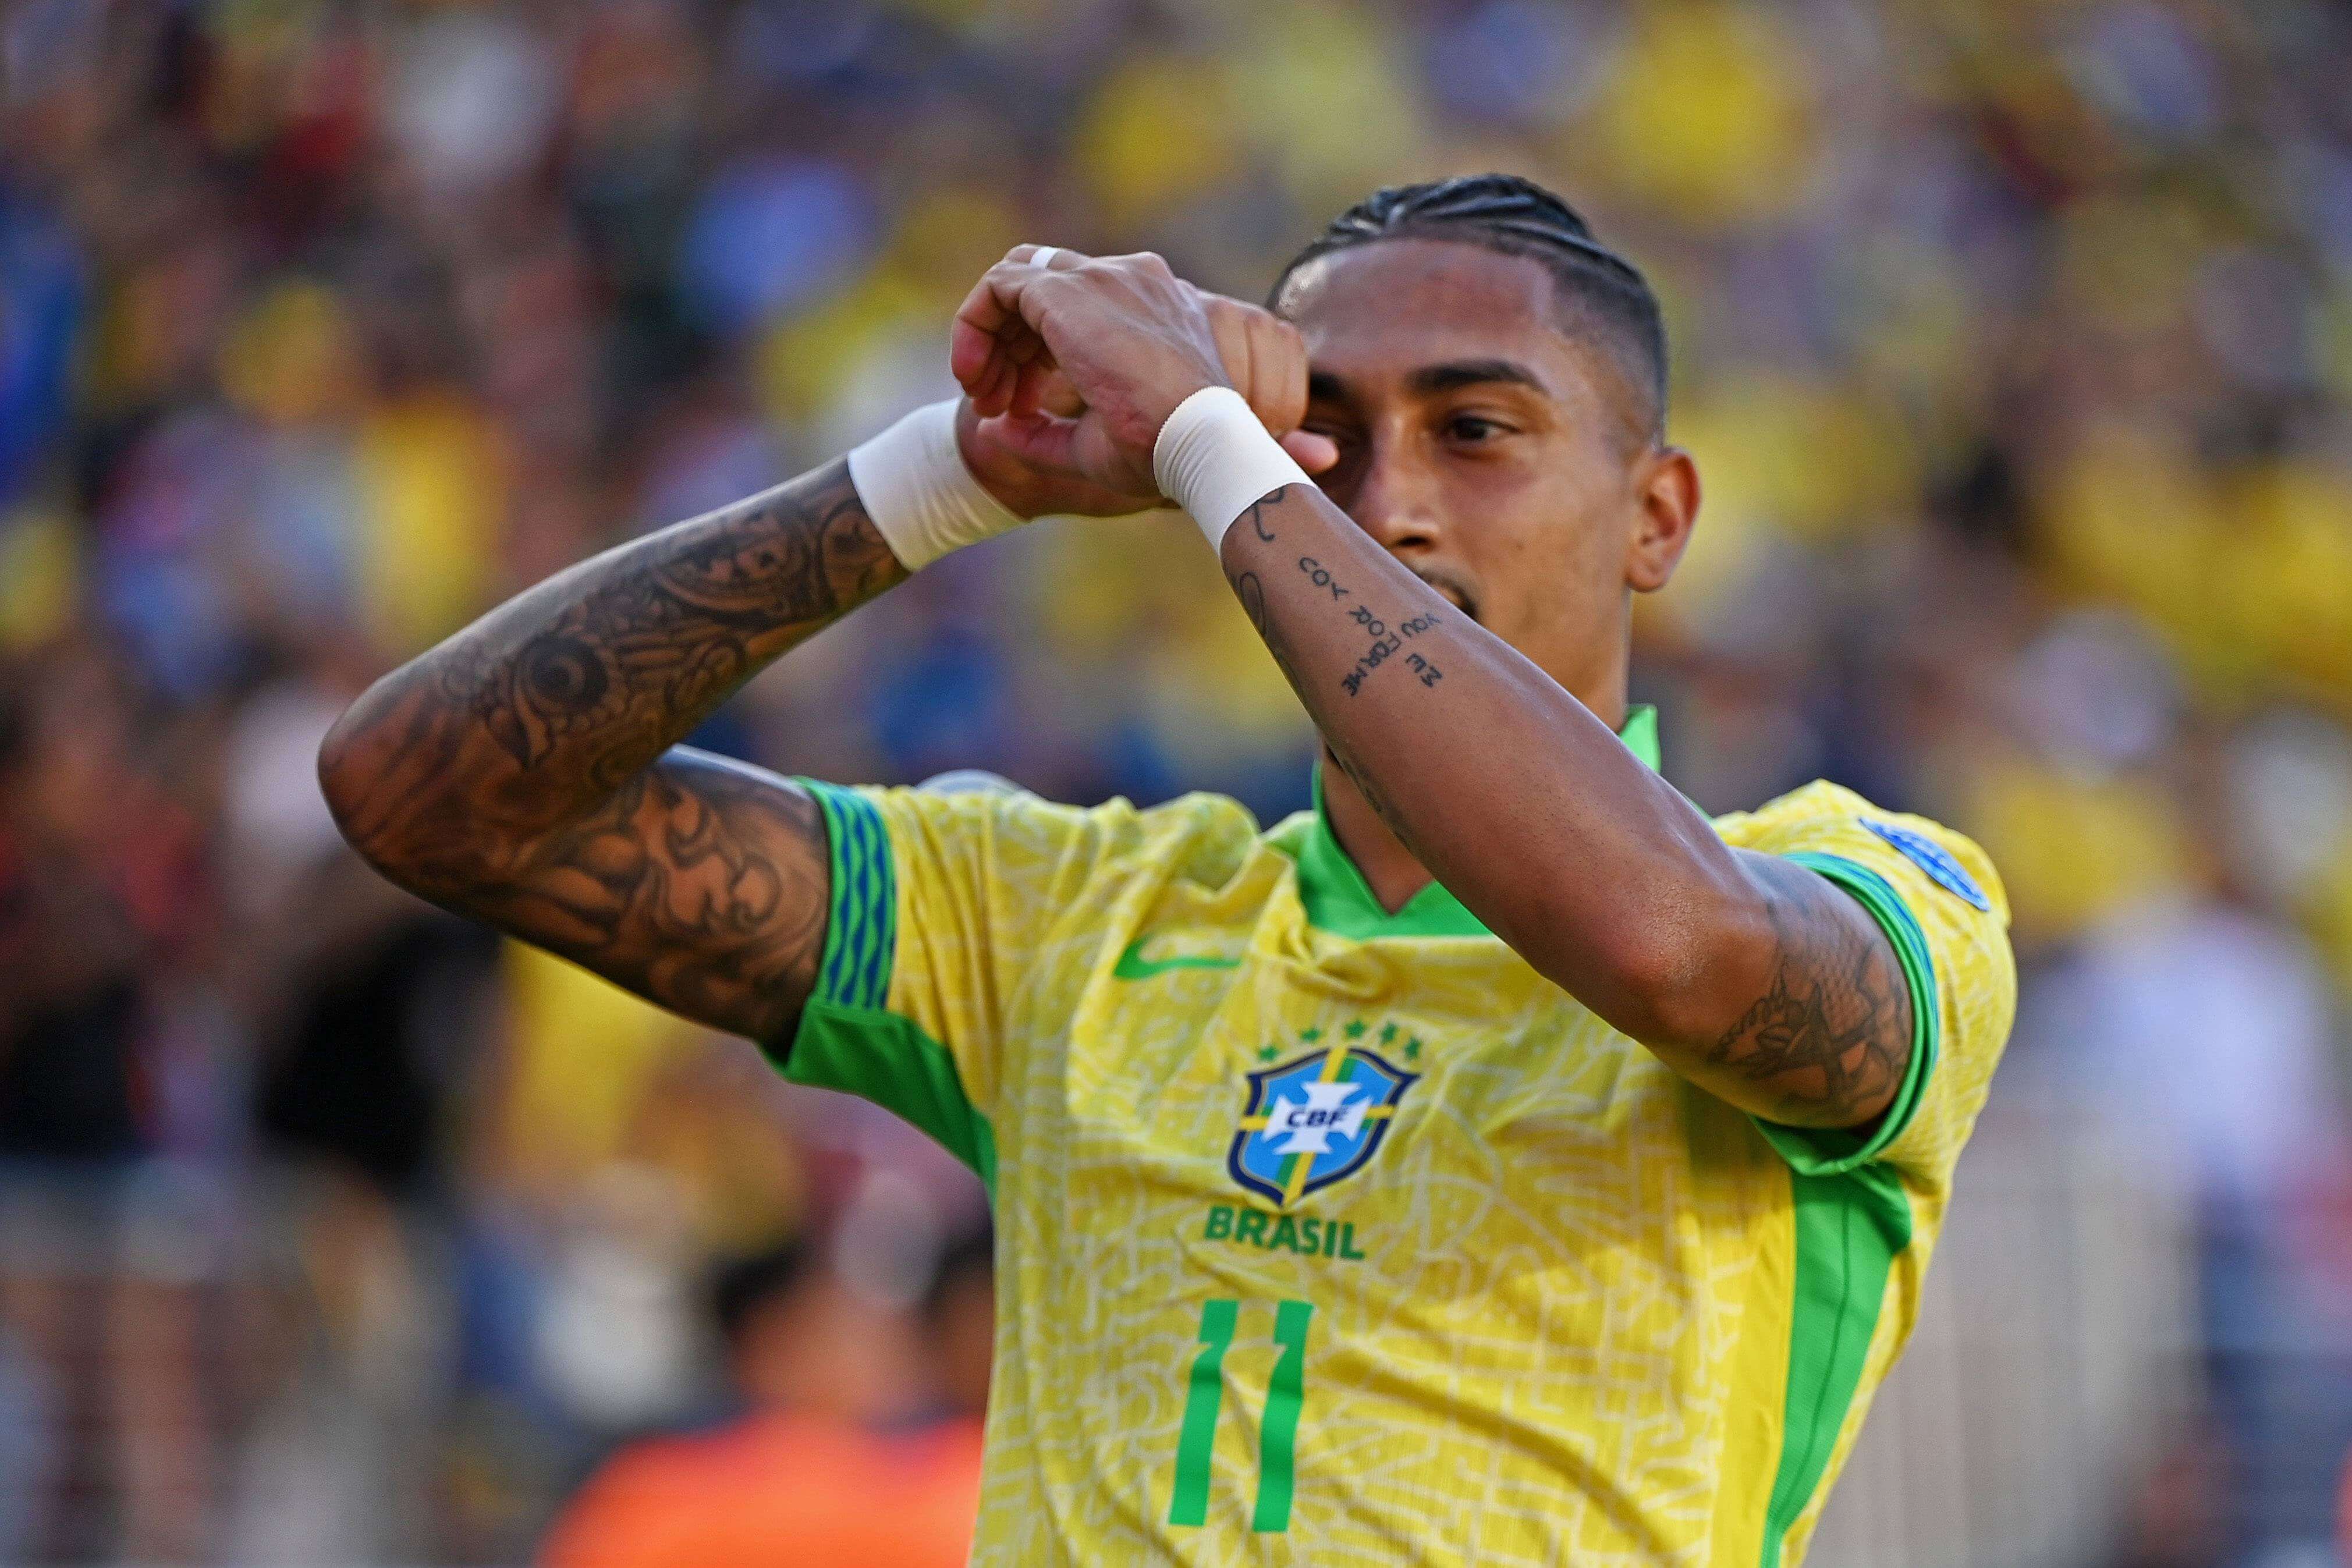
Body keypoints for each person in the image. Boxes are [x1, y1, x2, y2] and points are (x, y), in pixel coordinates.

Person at [320, 174, 2017, 1565]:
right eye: (1324, 436)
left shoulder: (1880, 894)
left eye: (1479, 432)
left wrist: (1222, 458)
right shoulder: (1069, 916)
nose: (1390, 503)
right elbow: (431, 796)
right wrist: (944, 479)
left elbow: (1675, 949)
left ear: (1658, 516)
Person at [538, 1237, 986, 1568]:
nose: (886, 1341)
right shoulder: (957, 1482)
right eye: (849, 1321)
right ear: (774, 1342)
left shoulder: (644, 1486)